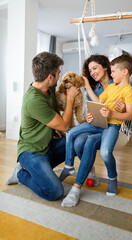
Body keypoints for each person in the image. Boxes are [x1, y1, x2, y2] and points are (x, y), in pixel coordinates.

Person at [60, 53, 132, 207]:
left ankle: (107, 179)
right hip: (98, 123)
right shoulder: (110, 87)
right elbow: (98, 103)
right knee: (74, 136)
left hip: (114, 127)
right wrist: (91, 113)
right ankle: (72, 167)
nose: (93, 72)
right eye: (90, 69)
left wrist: (115, 113)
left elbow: (129, 115)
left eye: (95, 68)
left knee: (99, 149)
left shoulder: (127, 90)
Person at [5, 51, 80, 201]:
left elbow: (59, 114)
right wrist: (71, 98)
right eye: (59, 73)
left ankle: (38, 171)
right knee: (54, 192)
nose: (60, 76)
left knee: (78, 140)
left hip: (47, 146)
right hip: (31, 152)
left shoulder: (49, 88)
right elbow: (64, 126)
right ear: (50, 77)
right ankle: (21, 173)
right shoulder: (33, 100)